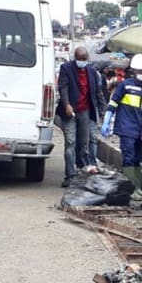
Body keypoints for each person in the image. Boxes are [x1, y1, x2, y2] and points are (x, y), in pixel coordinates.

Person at [101, 54, 142, 199]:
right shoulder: (125, 86)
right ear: (134, 71)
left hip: (141, 131)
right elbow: (113, 104)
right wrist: (107, 120)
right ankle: (131, 188)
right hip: (127, 128)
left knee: (137, 159)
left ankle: (136, 187)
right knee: (128, 157)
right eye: (141, 72)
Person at [57, 46, 106, 187]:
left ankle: (82, 171)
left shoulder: (91, 72)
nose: (82, 62)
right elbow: (63, 87)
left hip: (85, 111)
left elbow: (97, 93)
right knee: (70, 142)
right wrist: (66, 104)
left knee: (84, 144)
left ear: (88, 59)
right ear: (75, 58)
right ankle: (70, 175)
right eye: (79, 59)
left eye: (84, 59)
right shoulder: (66, 68)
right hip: (69, 112)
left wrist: (104, 110)